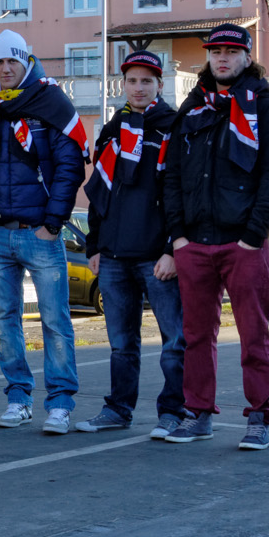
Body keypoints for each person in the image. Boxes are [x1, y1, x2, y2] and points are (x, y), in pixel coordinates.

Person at [161, 23, 269, 448]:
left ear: (246, 56)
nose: (222, 58)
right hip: (194, 244)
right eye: (215, 51)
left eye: (231, 52)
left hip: (243, 244)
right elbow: (173, 177)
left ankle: (259, 418)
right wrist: (178, 237)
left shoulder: (265, 108)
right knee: (197, 336)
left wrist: (254, 236)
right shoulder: (193, 107)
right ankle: (198, 413)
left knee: (254, 335)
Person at [0, 29, 88, 432]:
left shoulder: (51, 103)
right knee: (5, 321)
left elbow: (70, 166)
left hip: (40, 235)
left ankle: (60, 403)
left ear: (26, 62)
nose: (4, 69)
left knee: (55, 321)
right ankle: (18, 397)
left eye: (11, 61)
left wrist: (53, 225)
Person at [77, 49, 185, 438]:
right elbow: (98, 194)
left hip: (157, 258)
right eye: (132, 81)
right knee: (122, 345)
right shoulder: (112, 128)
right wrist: (94, 247)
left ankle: (173, 413)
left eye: (147, 81)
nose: (138, 88)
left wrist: (172, 249)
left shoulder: (174, 127)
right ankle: (118, 410)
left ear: (159, 84)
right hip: (114, 258)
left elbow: (181, 195)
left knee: (175, 341)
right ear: (123, 85)